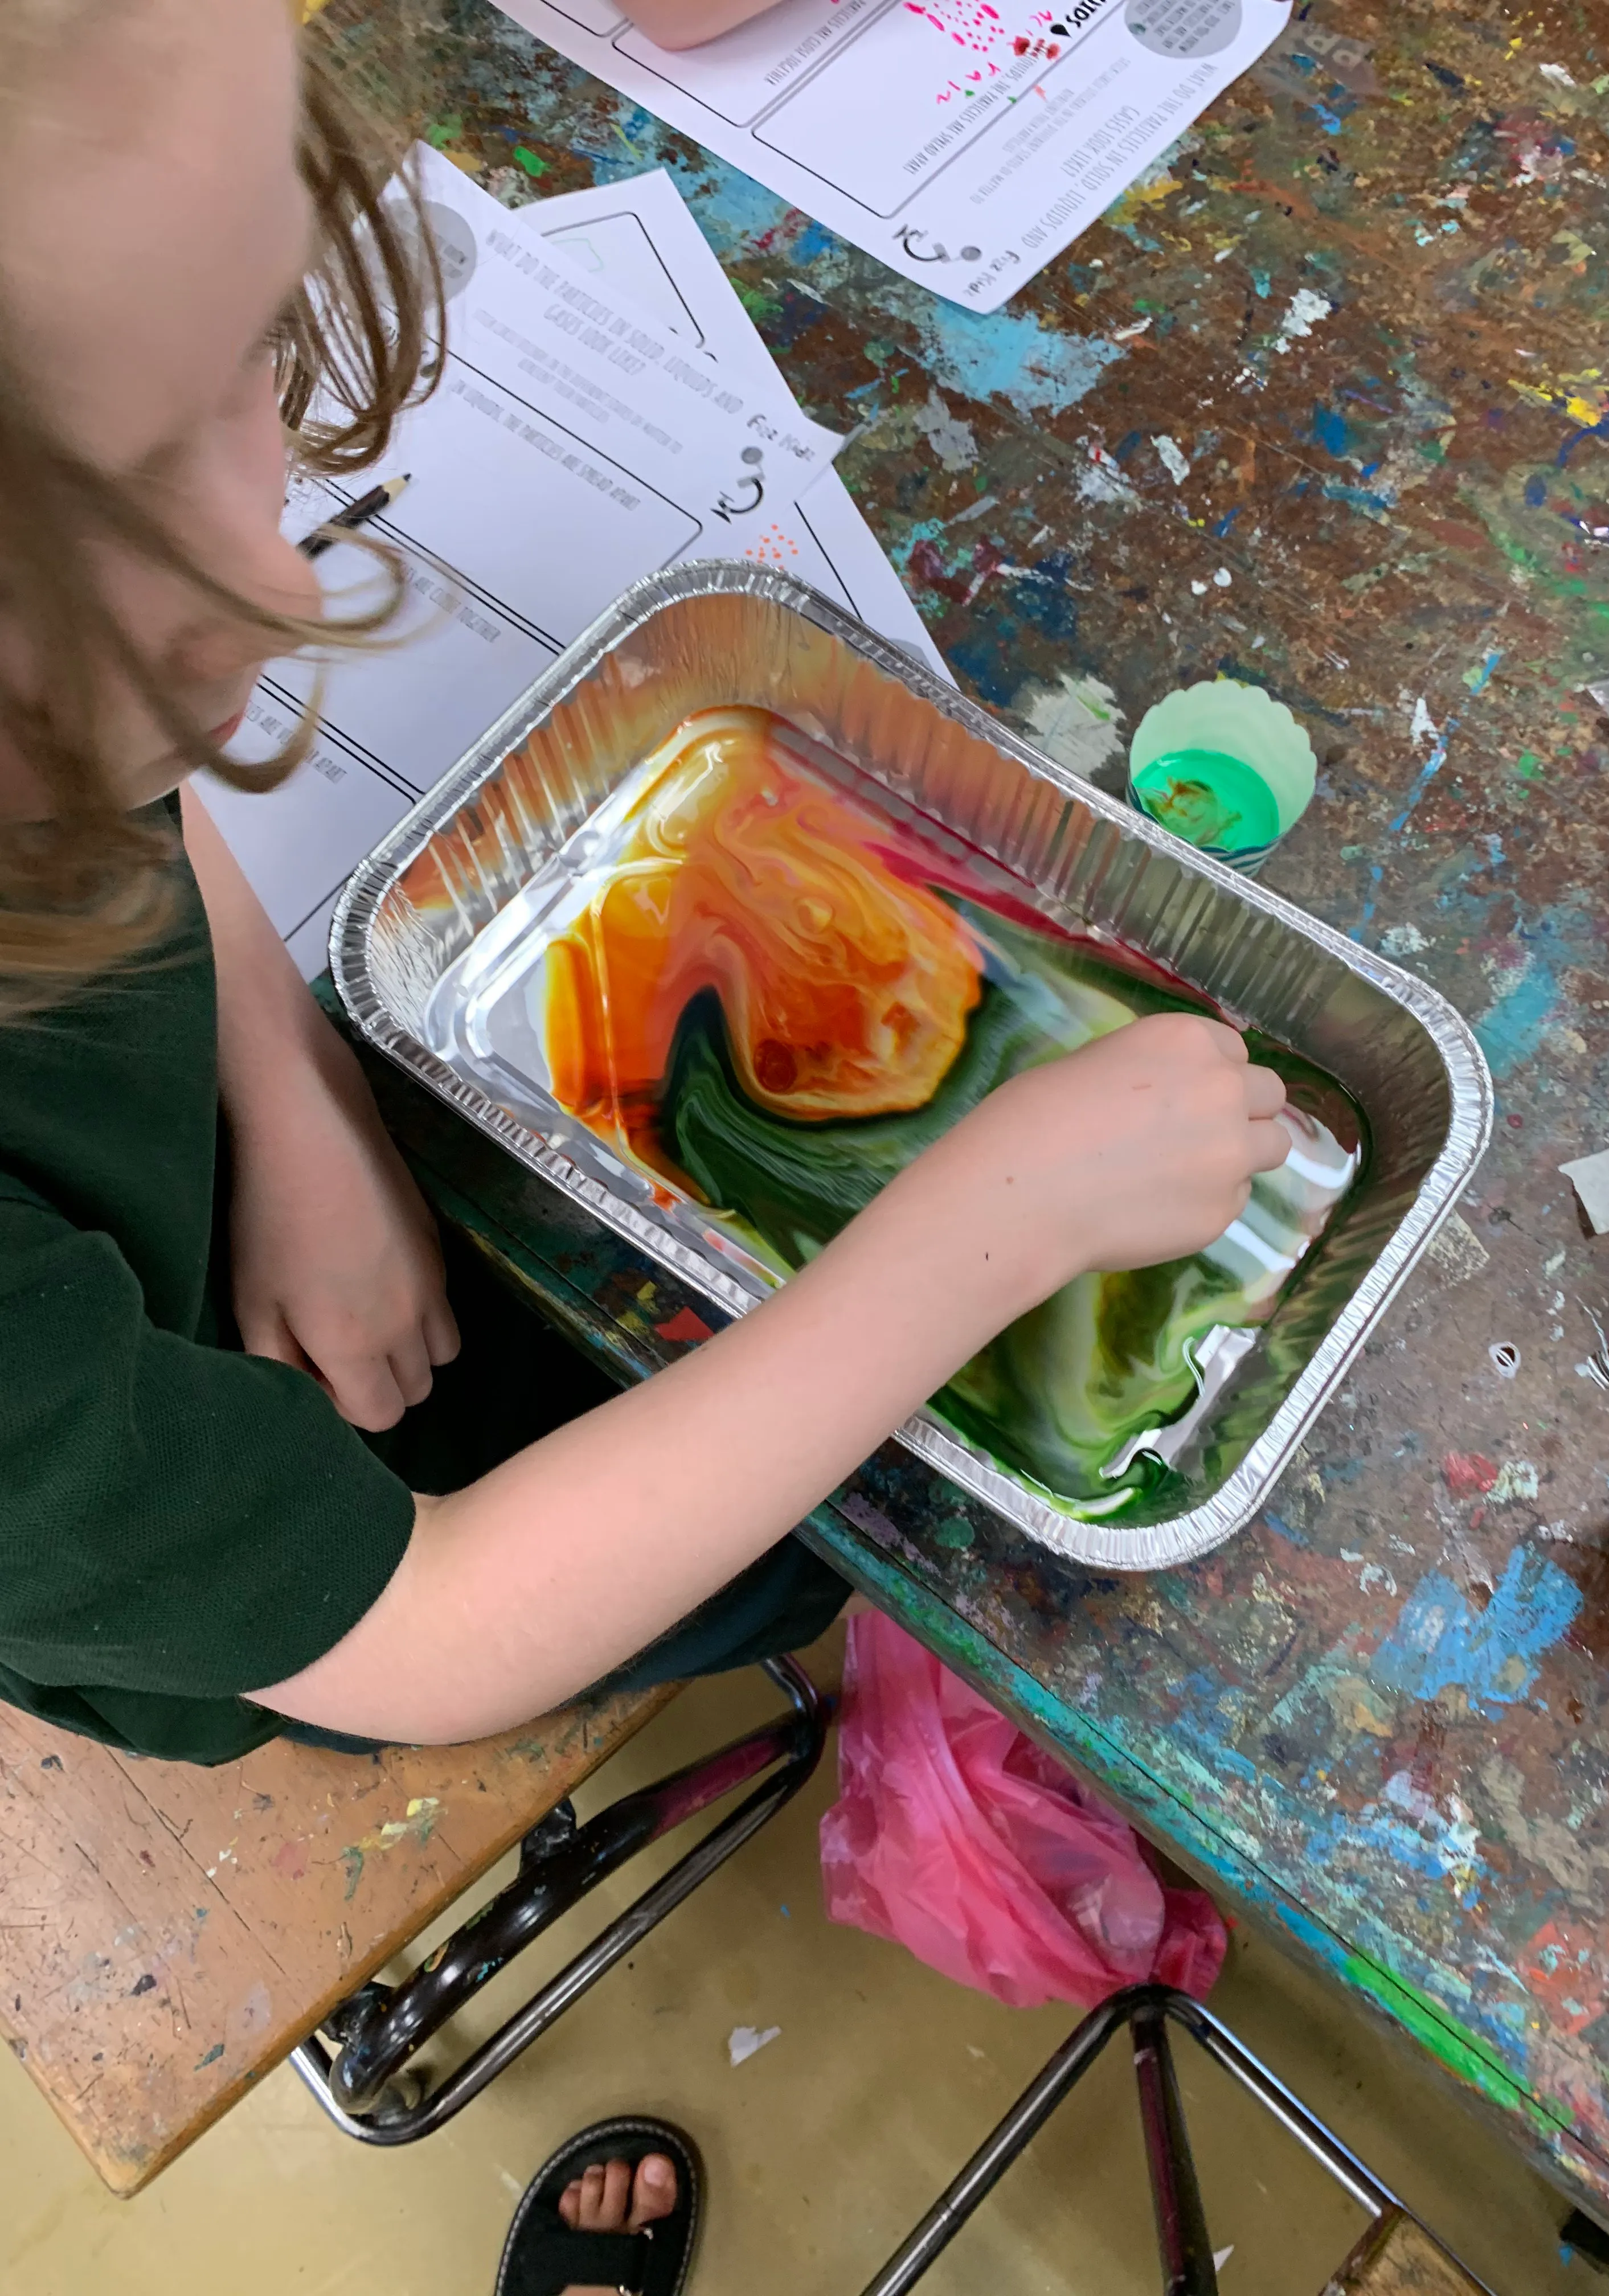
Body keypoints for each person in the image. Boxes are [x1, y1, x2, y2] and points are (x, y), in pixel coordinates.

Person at [0, 0, 1288, 2276]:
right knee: (804, 1560)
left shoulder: (38, 693)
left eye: (251, 371)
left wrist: (288, 1092)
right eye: (185, 448)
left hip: (213, 1234)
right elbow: (440, 1625)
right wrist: (989, 1223)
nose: (292, 570)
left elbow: (106, 810)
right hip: (274, 1583)